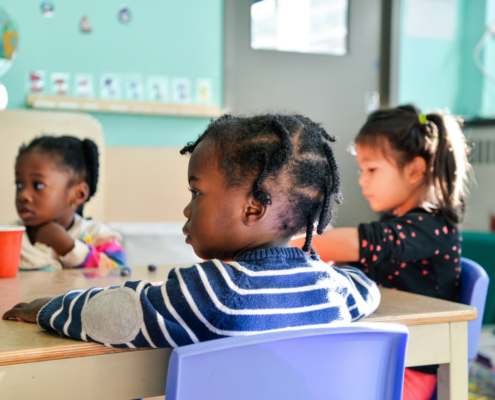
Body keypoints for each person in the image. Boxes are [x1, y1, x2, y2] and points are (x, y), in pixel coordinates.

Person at [3, 114, 379, 349]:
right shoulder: (334, 290)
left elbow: (121, 313)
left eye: (196, 193)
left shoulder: (214, 290)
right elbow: (366, 287)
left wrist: (48, 309)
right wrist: (319, 267)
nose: (187, 208)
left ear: (253, 208)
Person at [292, 105, 470, 400]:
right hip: (383, 353)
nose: (362, 179)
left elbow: (359, 244)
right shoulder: (394, 221)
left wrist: (280, 245)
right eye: (362, 169)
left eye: (372, 169)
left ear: (414, 170)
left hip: (412, 365)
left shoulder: (434, 226)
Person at [11, 136, 126, 270]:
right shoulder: (7, 237)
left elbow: (118, 273)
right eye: (19, 184)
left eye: (38, 185)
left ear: (78, 194)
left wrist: (67, 246)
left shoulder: (98, 235)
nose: (23, 195)